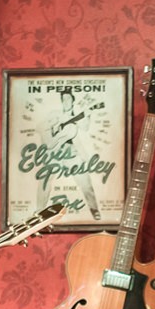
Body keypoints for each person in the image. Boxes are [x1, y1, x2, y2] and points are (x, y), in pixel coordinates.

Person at [49, 87, 103, 220]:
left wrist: (88, 114)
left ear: (73, 100)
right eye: (63, 100)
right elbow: (51, 131)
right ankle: (40, 215)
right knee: (45, 182)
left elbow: (85, 127)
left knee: (85, 183)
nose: (66, 102)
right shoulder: (57, 116)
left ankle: (94, 209)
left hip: (73, 153)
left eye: (68, 99)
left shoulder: (78, 115)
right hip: (57, 153)